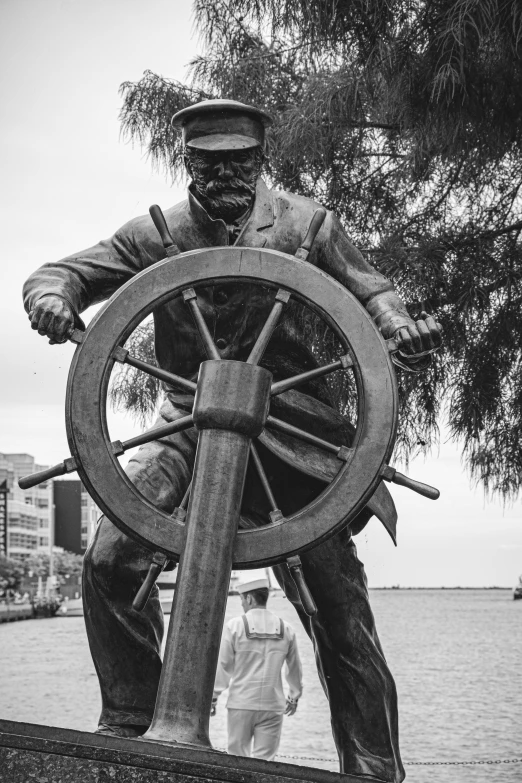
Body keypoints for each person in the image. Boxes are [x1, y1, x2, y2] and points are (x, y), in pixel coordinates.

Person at [23, 98, 442, 782]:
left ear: (260, 160)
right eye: (210, 163)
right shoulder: (157, 234)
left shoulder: (310, 226)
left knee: (339, 613)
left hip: (295, 435)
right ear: (187, 162)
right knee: (108, 559)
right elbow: (60, 273)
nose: (225, 175)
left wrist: (403, 329)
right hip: (188, 426)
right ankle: (133, 726)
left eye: (239, 162)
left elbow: (377, 299)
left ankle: (374, 768)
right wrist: (52, 296)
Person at [212, 573, 302, 761]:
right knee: (265, 762)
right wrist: (294, 696)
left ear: (250, 598)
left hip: (241, 704)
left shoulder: (235, 626)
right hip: (272, 705)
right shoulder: (286, 629)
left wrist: (213, 697)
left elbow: (224, 666)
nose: (243, 604)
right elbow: (294, 668)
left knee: (237, 760)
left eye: (243, 600)